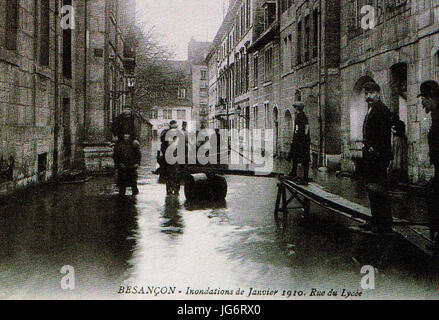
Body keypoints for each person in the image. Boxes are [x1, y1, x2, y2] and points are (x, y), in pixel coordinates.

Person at [359, 81, 393, 233]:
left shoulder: (381, 110)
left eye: (371, 93)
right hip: (371, 155)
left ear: (378, 93)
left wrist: (374, 148)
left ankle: (383, 223)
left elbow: (384, 134)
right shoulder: (371, 109)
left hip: (378, 156)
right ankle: (376, 219)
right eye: (366, 93)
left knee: (379, 189)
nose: (368, 96)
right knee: (372, 188)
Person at [418, 80, 439, 249]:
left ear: (430, 98)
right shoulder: (435, 113)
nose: (422, 103)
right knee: (431, 194)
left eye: (423, 99)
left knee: (433, 195)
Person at [287, 102, 310, 185]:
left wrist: (295, 140)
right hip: (305, 141)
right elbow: (306, 130)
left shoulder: (298, 117)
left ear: (297, 109)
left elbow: (297, 130)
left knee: (296, 157)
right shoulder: (304, 117)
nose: (295, 110)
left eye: (295, 108)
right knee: (304, 159)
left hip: (299, 141)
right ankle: (303, 176)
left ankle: (297, 175)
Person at [389, 112, 408, 184]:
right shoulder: (401, 123)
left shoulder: (397, 124)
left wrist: (393, 130)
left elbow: (399, 132)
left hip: (398, 140)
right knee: (399, 155)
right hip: (399, 140)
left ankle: (397, 171)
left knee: (398, 155)